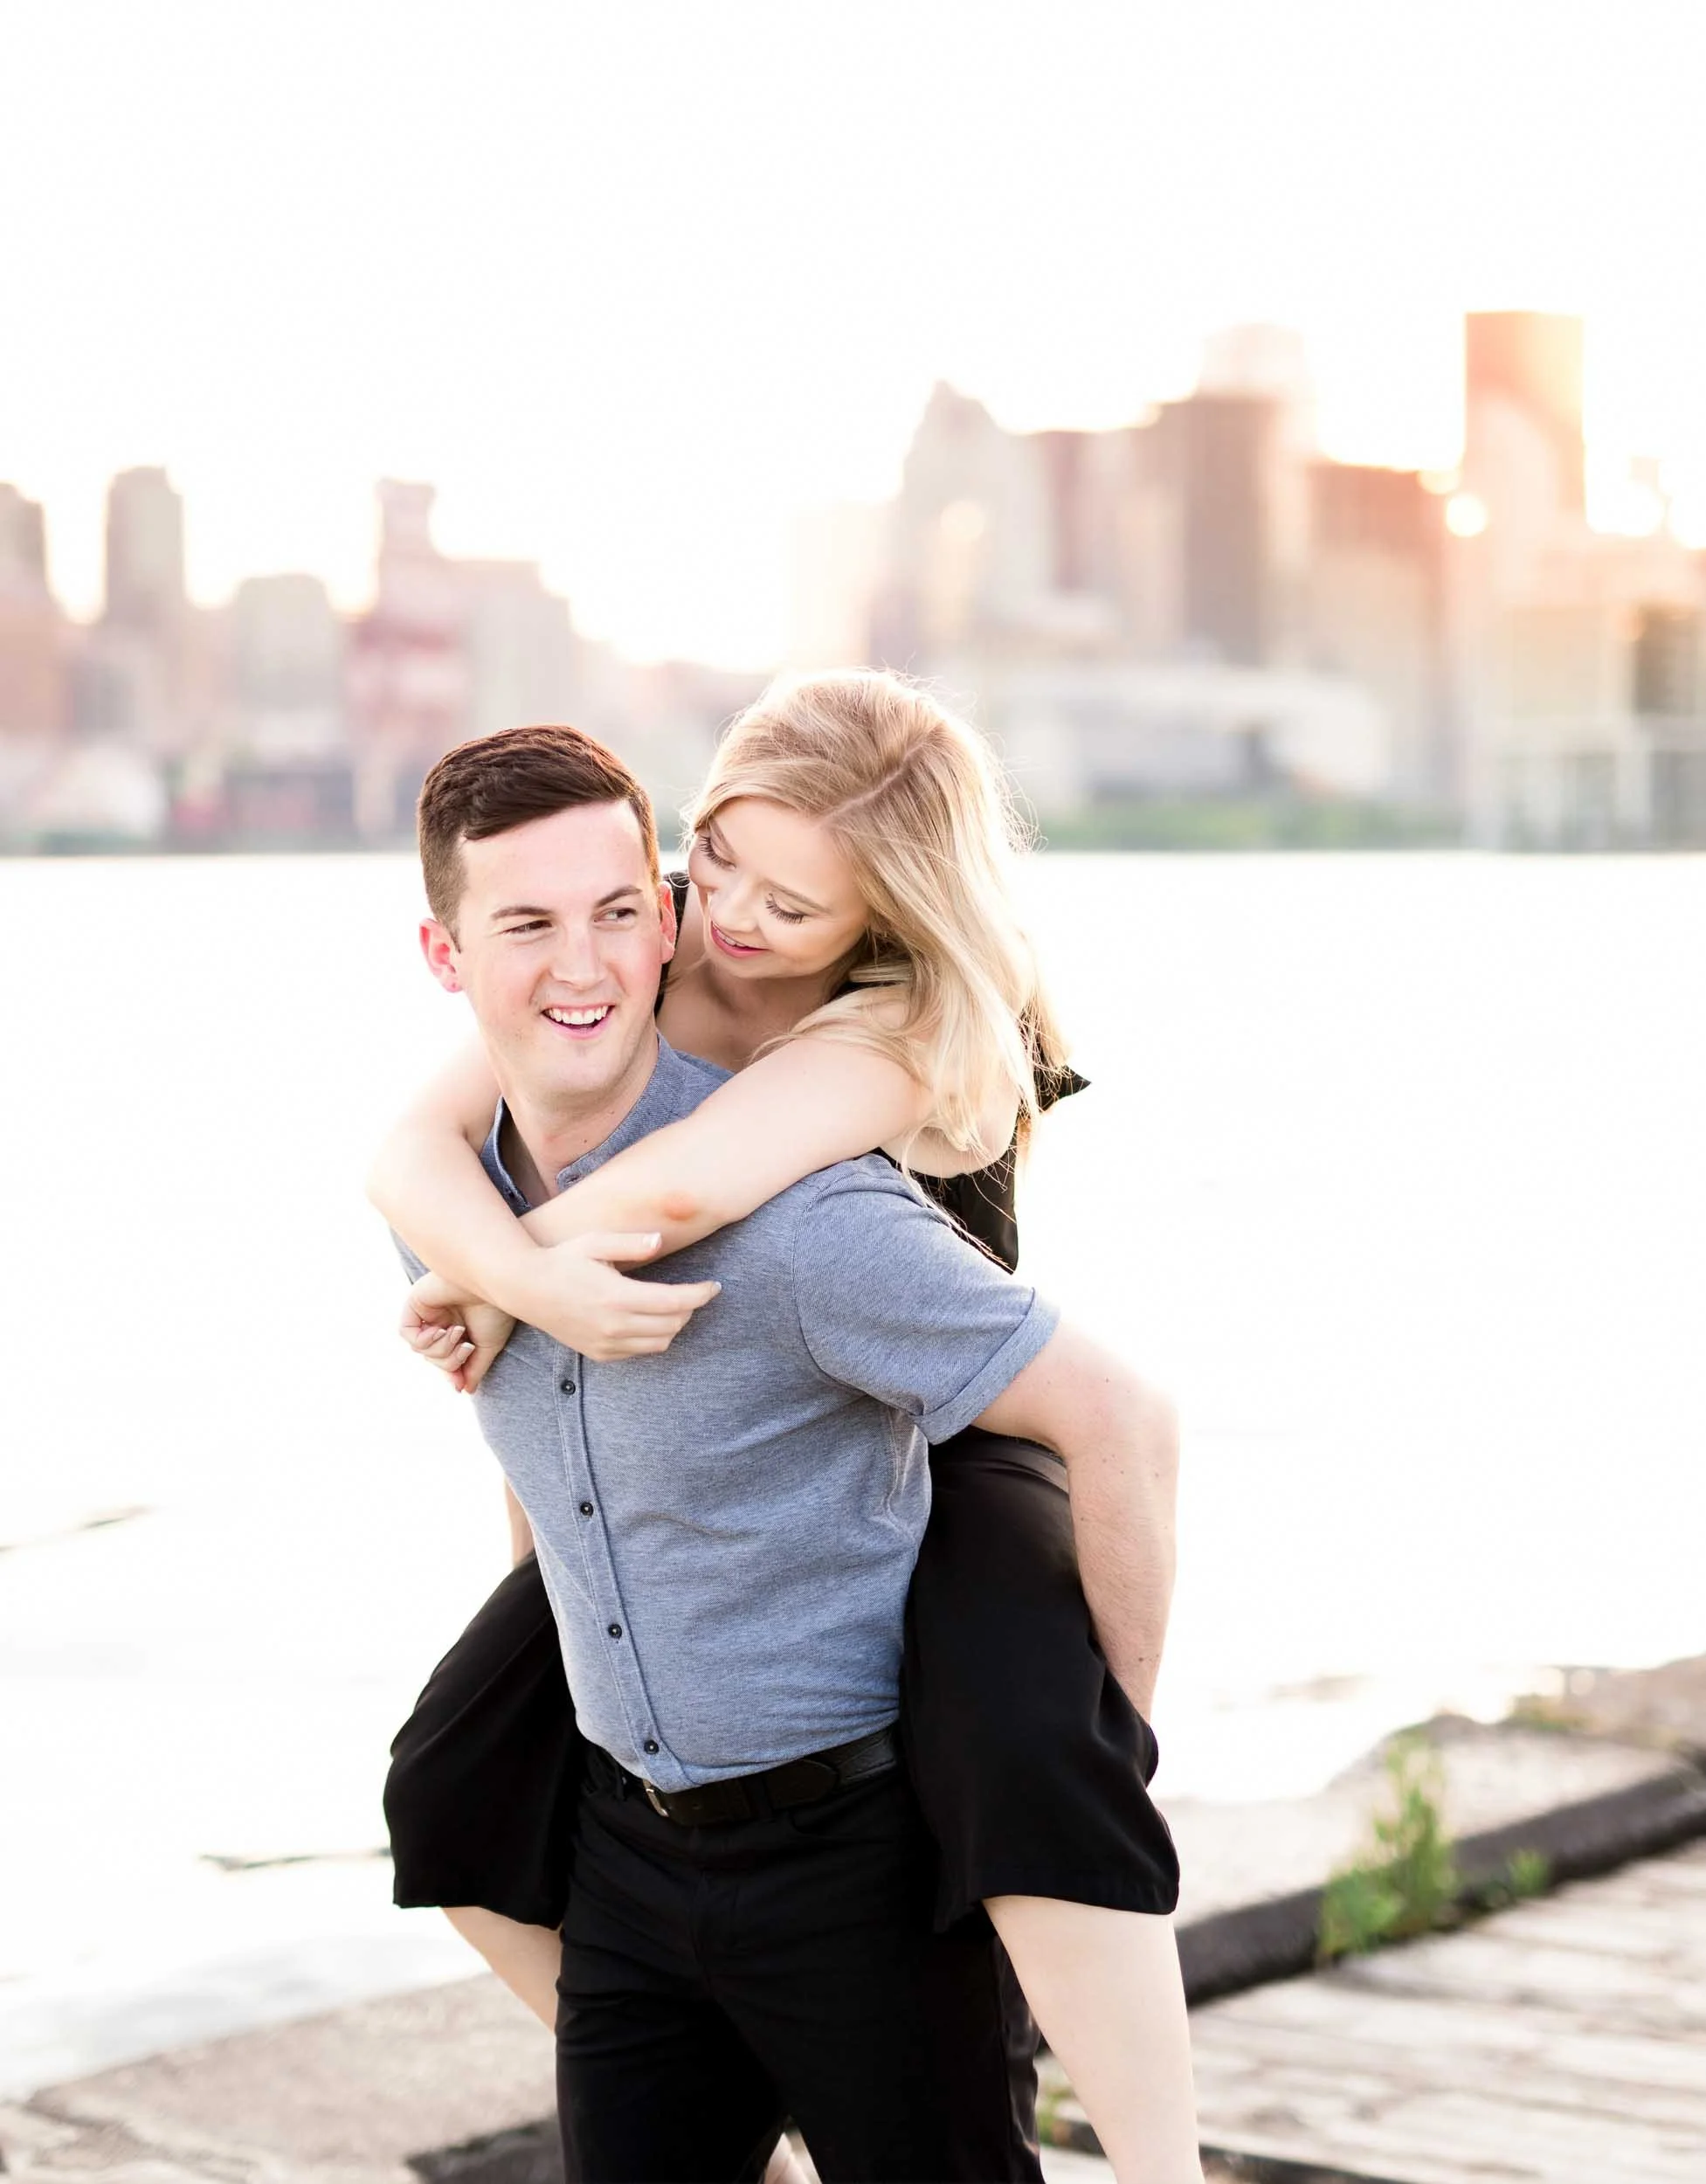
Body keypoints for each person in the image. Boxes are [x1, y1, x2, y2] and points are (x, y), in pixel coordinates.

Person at [375, 681, 1198, 2181]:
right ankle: (737, 2063)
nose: (731, 918)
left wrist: (497, 1278)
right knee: (449, 1781)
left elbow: (688, 1192)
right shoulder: (638, 930)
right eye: (716, 863)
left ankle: (1159, 2160)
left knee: (1037, 1747)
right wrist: (501, 1279)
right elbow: (410, 1147)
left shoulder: (901, 1020)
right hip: (684, 1712)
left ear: (881, 909)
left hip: (956, 1421)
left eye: (790, 898)